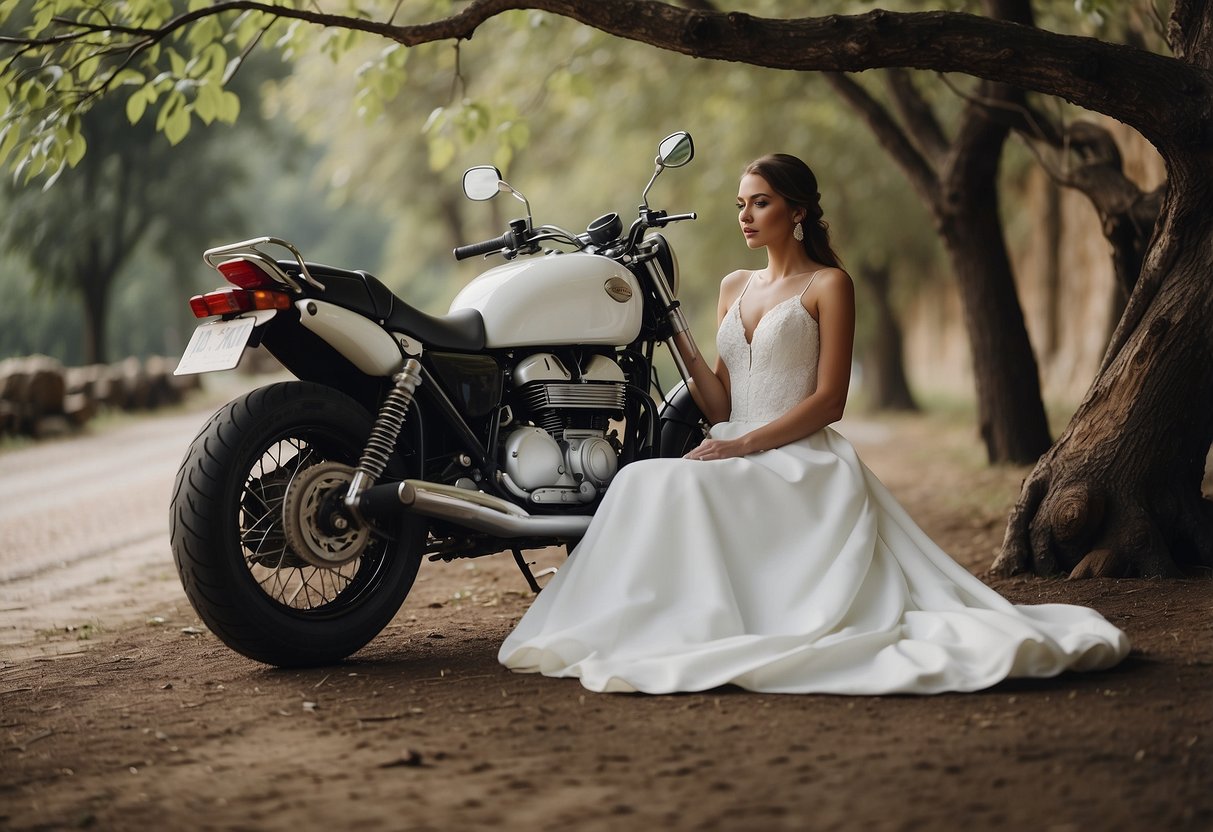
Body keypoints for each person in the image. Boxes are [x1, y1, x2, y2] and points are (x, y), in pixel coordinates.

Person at [498, 153, 1129, 695]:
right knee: (639, 482)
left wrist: (745, 443)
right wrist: (681, 340)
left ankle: (707, 624)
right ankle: (639, 624)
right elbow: (720, 404)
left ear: (796, 211)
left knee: (673, 484)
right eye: (741, 204)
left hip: (800, 458)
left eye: (760, 202)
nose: (745, 215)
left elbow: (831, 401)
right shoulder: (732, 286)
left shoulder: (830, 284)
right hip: (733, 440)